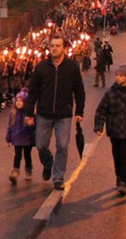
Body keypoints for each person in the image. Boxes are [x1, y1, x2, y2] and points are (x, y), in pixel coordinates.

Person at [25, 36, 85, 191]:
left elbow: (79, 91)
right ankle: (48, 163)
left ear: (64, 48)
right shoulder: (41, 67)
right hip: (44, 113)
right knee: (41, 145)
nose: (54, 48)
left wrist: (79, 112)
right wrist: (29, 113)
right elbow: (33, 92)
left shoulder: (72, 67)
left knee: (63, 145)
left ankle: (58, 177)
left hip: (63, 114)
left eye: (58, 46)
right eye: (52, 45)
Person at [93, 65, 126, 196]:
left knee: (125, 156)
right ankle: (119, 175)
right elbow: (101, 110)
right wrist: (99, 127)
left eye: (121, 75)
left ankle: (123, 181)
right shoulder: (110, 93)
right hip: (114, 130)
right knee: (116, 155)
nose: (118, 77)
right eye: (117, 75)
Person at [5, 88, 36, 185]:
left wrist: (31, 125)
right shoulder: (13, 113)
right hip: (17, 138)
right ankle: (15, 173)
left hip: (27, 138)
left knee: (27, 155)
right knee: (17, 155)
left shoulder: (30, 114)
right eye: (17, 101)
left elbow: (34, 127)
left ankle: (28, 169)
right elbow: (10, 127)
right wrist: (8, 139)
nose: (18, 103)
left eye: (21, 101)